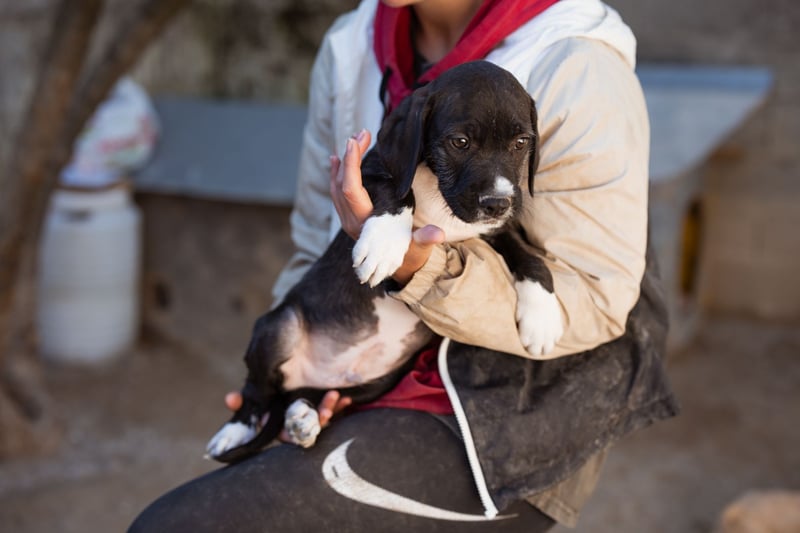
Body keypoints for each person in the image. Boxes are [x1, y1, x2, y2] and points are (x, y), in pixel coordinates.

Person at [128, 0, 678, 531]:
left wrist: (423, 268)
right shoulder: (350, 47)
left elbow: (597, 300)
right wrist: (305, 368)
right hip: (368, 379)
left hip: (515, 415)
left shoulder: (577, 64)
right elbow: (314, 239)